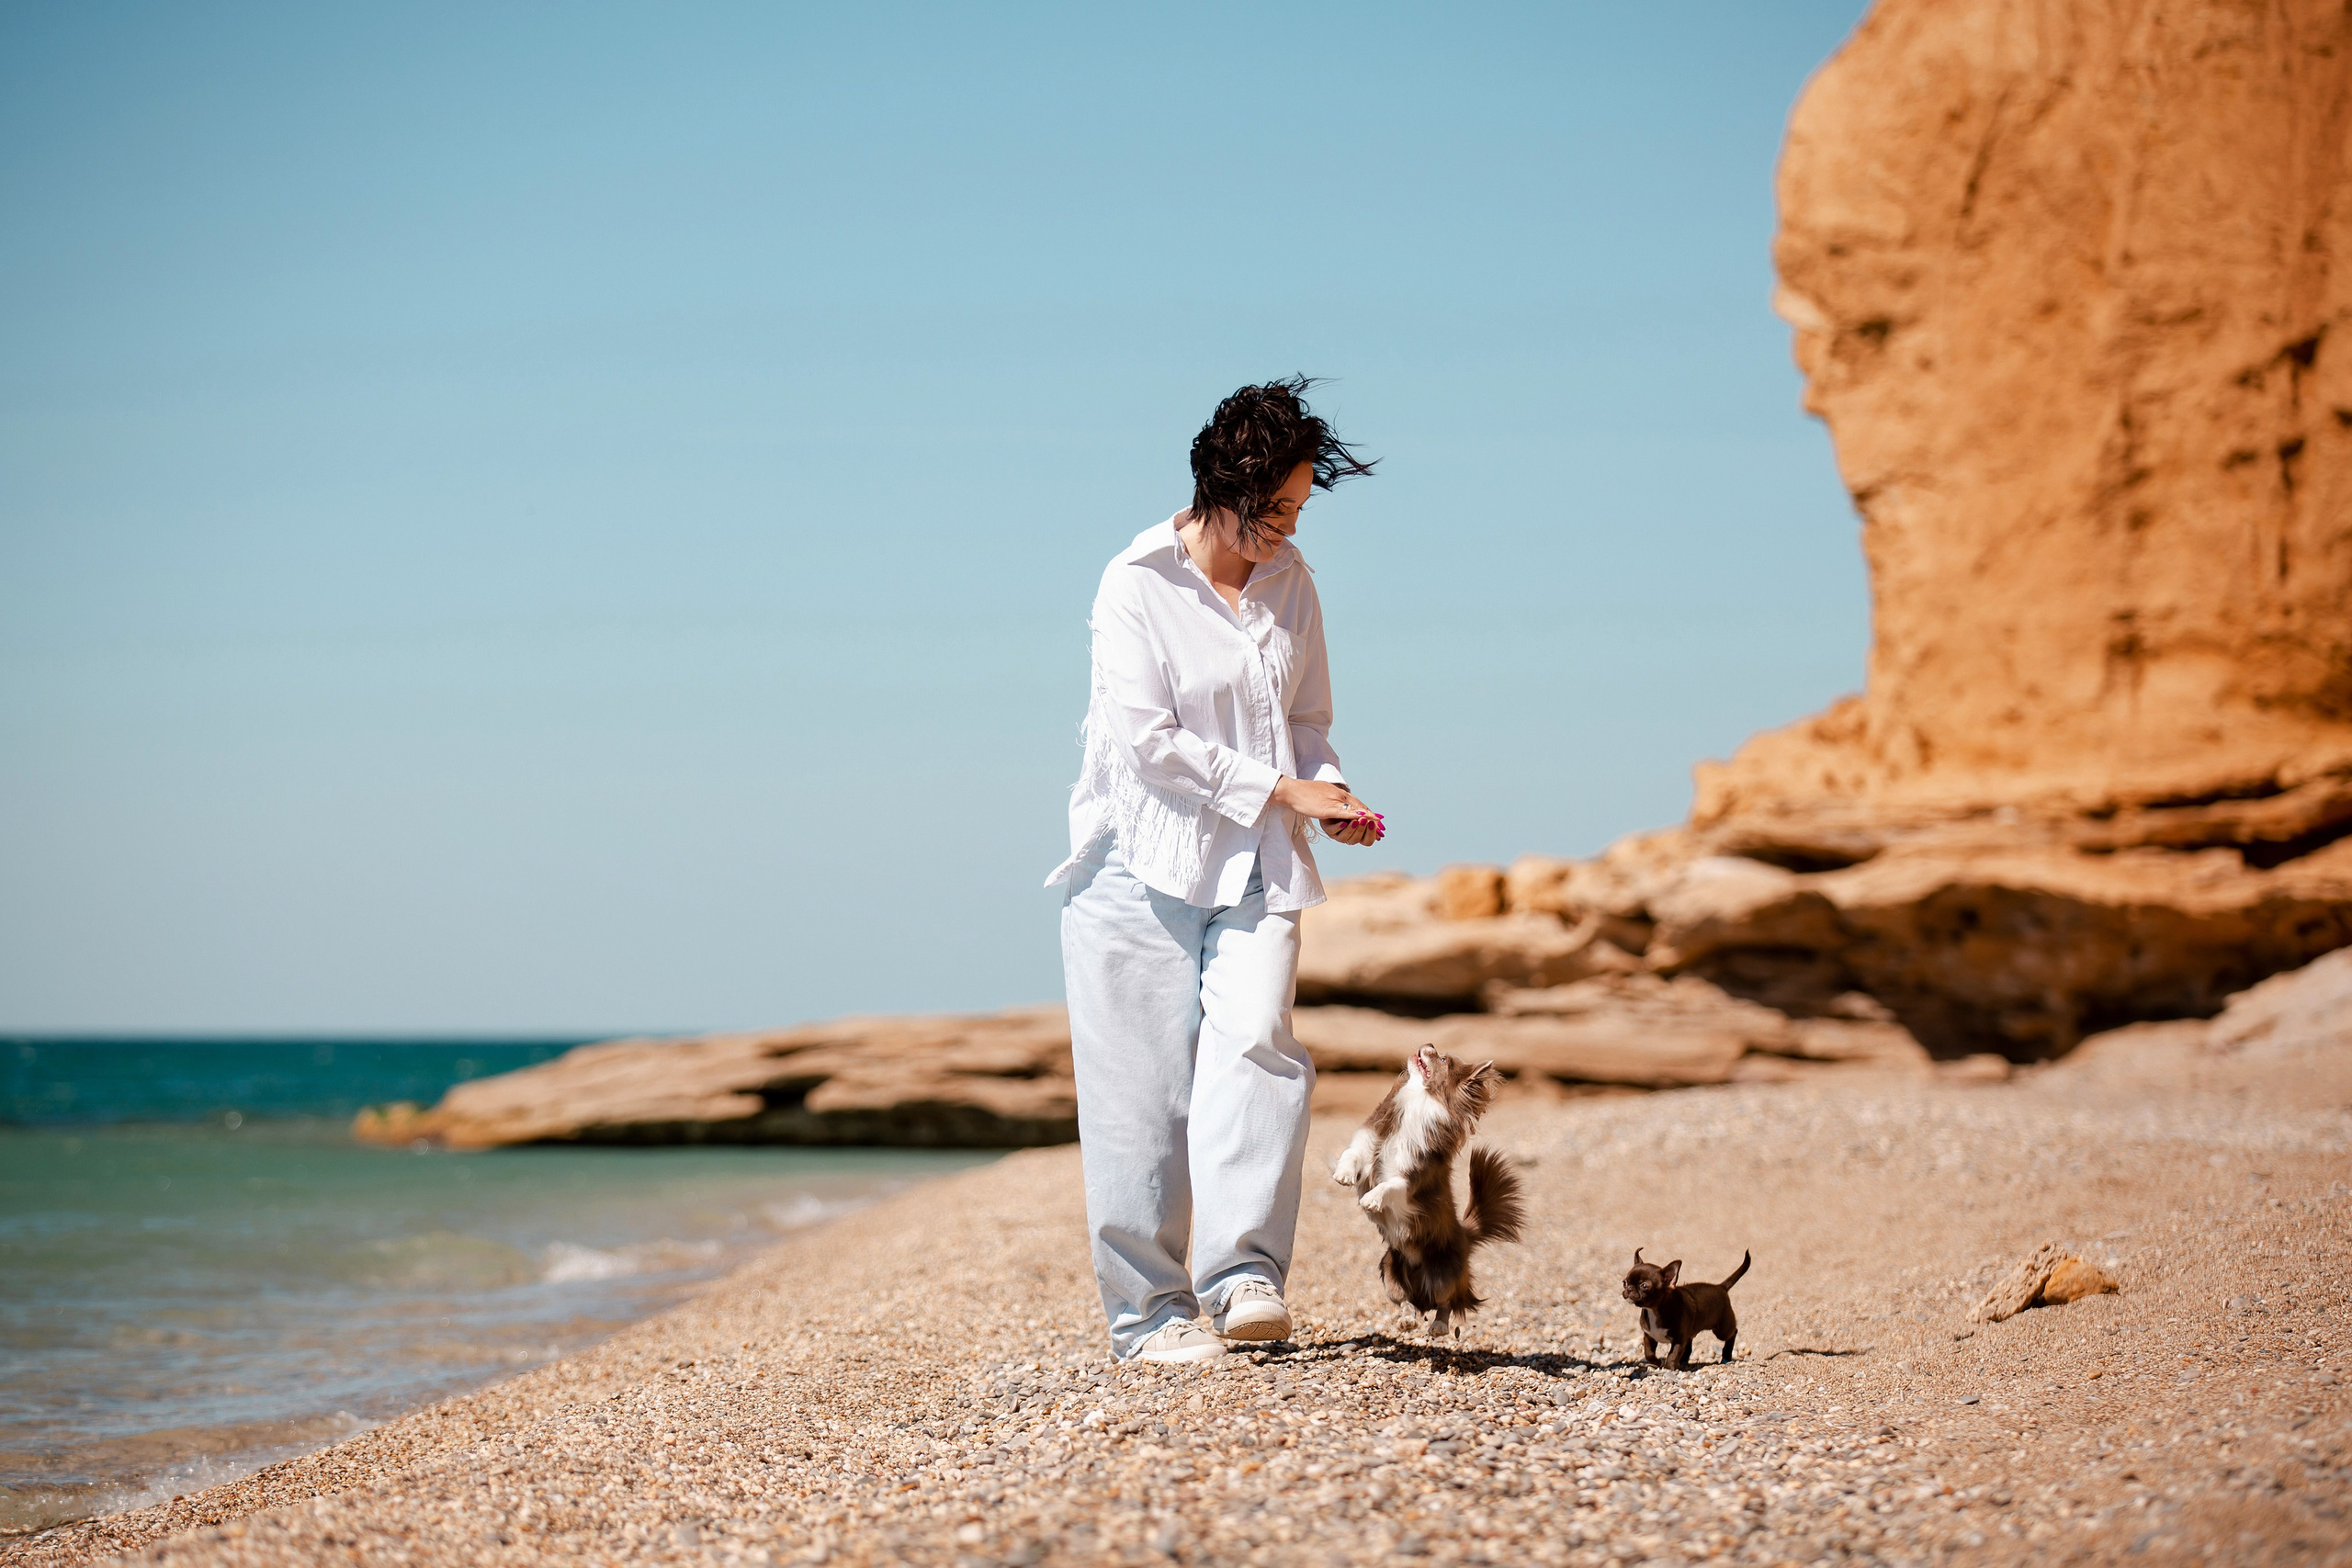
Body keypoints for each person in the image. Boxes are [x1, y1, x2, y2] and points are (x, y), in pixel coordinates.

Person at [1045, 377, 1381, 1364]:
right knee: (1139, 1095)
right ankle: (1147, 1317)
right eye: (1272, 510)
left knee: (1258, 1046)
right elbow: (1147, 744)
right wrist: (1284, 788)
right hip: (1131, 864)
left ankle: (1242, 1280)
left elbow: (1308, 724)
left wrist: (1333, 793)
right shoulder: (1132, 581)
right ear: (1222, 486)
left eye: (1297, 511)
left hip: (1259, 857)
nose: (1284, 530)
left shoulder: (1293, 585)